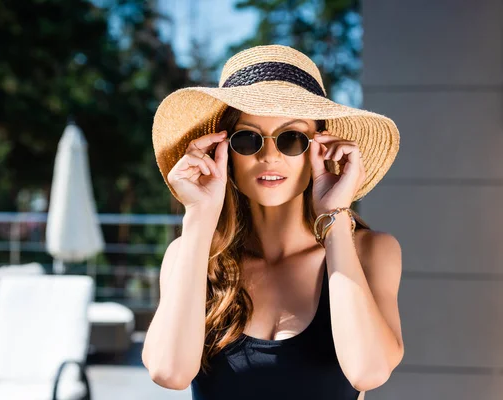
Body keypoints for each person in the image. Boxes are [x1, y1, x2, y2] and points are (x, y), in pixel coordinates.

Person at [142, 44, 404, 400]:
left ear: (321, 146)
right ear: (224, 152)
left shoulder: (372, 252)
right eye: (247, 138)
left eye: (291, 138)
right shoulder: (190, 255)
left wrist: (335, 217)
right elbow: (168, 372)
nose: (269, 155)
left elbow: (367, 371)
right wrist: (199, 218)